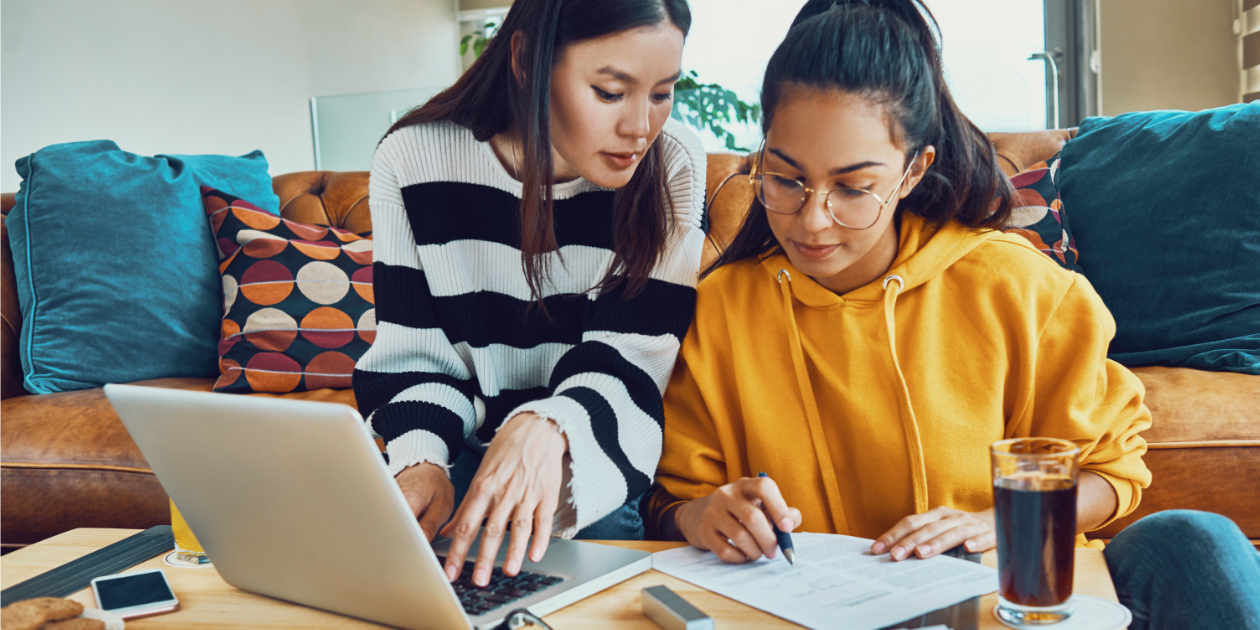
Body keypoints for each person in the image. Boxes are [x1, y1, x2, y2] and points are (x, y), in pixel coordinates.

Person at [646, 1, 1260, 629]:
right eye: (784, 178)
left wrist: (994, 523)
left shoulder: (1020, 288)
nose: (812, 219)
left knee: (1195, 542)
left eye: (853, 188)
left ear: (914, 170)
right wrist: (698, 514)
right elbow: (674, 496)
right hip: (810, 613)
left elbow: (1110, 471)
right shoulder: (719, 308)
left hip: (1009, 611)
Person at [355, 0, 705, 588]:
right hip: (463, 454)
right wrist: (419, 461)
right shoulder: (412, 158)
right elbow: (414, 354)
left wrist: (545, 427)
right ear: (526, 59)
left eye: (662, 93)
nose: (641, 127)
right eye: (611, 92)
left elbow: (635, 364)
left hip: (588, 467)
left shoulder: (672, 164)